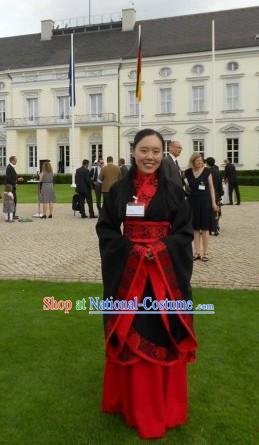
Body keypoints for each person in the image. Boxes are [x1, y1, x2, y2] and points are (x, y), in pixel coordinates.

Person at [96, 128, 197, 439]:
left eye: (155, 151)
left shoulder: (173, 191)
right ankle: (131, 405)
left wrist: (161, 249)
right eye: (144, 150)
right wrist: (132, 251)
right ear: (134, 151)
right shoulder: (118, 192)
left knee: (163, 334)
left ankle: (166, 409)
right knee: (131, 333)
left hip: (164, 281)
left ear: (162, 153)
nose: (150, 157)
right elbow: (107, 230)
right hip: (130, 278)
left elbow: (184, 233)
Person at [185, 153, 218, 262]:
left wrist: (214, 203)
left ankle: (205, 253)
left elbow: (212, 188)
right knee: (195, 228)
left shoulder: (207, 171)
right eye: (198, 160)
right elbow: (184, 187)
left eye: (201, 160)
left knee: (205, 228)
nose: (200, 162)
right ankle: (197, 252)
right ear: (193, 161)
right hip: (193, 202)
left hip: (205, 202)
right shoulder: (188, 172)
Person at [205, 157, 224, 236]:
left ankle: (209, 229)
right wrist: (220, 193)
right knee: (215, 212)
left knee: (208, 212)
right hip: (216, 194)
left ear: (207, 163)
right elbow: (220, 184)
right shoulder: (217, 172)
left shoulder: (206, 172)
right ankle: (215, 228)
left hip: (207, 194)